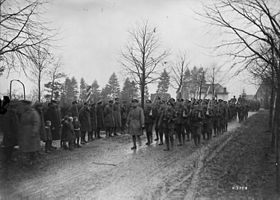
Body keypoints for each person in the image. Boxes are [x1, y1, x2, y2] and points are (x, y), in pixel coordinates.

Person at [18, 100, 41, 165]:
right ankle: (27, 161)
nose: (23, 107)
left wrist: (34, 131)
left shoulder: (33, 113)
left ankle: (34, 160)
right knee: (26, 147)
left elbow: (36, 123)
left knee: (32, 147)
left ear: (28, 105)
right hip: (25, 133)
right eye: (23, 105)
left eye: (24, 105)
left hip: (31, 132)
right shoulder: (24, 113)